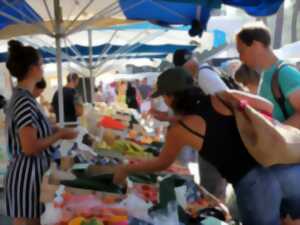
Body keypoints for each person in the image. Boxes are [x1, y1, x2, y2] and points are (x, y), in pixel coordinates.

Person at [113, 67, 300, 225]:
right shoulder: (221, 98)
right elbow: (268, 107)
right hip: (284, 169)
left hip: (254, 185)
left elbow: (161, 164)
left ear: (170, 97)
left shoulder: (180, 129)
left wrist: (126, 170)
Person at [5, 40, 77, 225]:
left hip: (31, 176)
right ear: (32, 69)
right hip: (26, 178)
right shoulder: (24, 101)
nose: (43, 68)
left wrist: (55, 129)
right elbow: (29, 147)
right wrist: (59, 135)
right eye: (41, 63)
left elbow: (33, 130)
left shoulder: (24, 97)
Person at [173, 49, 228, 201]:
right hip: (213, 141)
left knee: (212, 191)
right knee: (210, 189)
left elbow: (228, 102)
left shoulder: (204, 75)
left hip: (217, 141)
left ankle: (216, 218)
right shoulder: (203, 74)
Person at [236, 24, 300, 126]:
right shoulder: (265, 75)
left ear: (256, 45)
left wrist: (277, 135)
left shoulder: (285, 73)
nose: (240, 58)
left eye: (241, 51)